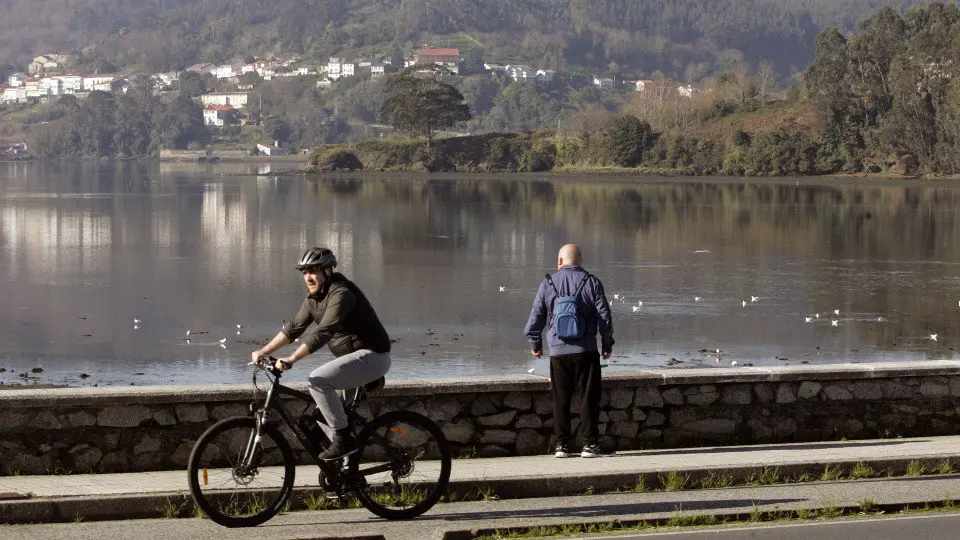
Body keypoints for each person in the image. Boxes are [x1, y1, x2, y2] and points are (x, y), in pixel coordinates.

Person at [251, 247, 392, 461]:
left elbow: (325, 331)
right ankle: (345, 470)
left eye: (313, 271)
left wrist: (292, 359)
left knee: (318, 381)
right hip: (353, 361)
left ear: (327, 271)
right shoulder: (314, 299)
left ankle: (343, 440)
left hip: (373, 356)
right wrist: (264, 351)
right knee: (321, 416)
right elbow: (294, 328)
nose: (308, 277)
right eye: (304, 272)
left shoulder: (342, 293)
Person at [523, 244, 615, 458]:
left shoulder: (548, 283)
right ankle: (590, 445)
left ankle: (561, 446)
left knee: (560, 399)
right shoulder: (591, 282)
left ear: (559, 261)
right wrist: (607, 343)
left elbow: (536, 316)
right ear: (581, 260)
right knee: (588, 398)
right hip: (586, 351)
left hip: (558, 352)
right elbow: (604, 316)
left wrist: (535, 343)